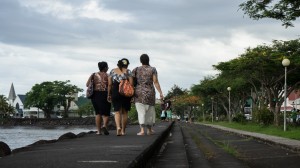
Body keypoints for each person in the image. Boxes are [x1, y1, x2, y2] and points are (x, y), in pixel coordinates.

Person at [133, 54, 164, 135]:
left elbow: (132, 82)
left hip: (138, 93)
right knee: (150, 112)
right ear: (148, 60)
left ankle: (142, 130)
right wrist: (160, 93)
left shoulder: (136, 69)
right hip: (150, 92)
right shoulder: (153, 69)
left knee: (141, 112)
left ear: (140, 61)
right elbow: (155, 82)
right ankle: (149, 130)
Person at [107, 58, 133, 136]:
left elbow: (109, 84)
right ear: (127, 64)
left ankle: (118, 127)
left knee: (117, 111)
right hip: (125, 91)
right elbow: (131, 83)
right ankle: (123, 131)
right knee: (125, 112)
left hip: (115, 90)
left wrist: (109, 94)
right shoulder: (128, 71)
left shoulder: (112, 71)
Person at [86, 61, 111, 135]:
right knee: (106, 113)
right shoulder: (108, 75)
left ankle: (98, 131)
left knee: (98, 113)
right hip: (105, 94)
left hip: (95, 95)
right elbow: (110, 85)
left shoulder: (93, 75)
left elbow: (87, 84)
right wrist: (109, 94)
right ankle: (104, 126)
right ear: (105, 68)